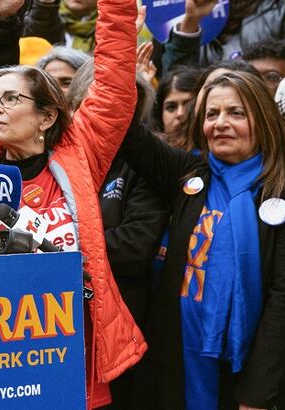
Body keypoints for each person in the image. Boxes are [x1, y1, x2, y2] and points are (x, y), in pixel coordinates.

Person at [0, 0, 144, 408]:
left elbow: (113, 87)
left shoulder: (81, 155)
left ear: (47, 116)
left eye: (11, 99)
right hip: (0, 360)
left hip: (74, 353)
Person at [119, 70, 285, 409]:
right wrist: (124, 66)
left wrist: (256, 395)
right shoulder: (187, 174)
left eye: (235, 113)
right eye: (212, 114)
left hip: (247, 374)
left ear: (263, 121)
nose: (220, 123)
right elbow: (125, 130)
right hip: (178, 362)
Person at [66, 60, 168, 409]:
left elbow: (135, 246)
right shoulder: (51, 161)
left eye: (127, 110)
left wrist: (58, 248)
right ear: (75, 106)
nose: (114, 118)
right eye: (104, 105)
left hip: (119, 336)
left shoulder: (143, 168)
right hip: (56, 326)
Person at [154, 66, 204, 144]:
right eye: (171, 107)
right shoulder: (150, 149)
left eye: (188, 105)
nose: (180, 114)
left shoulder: (218, 149)